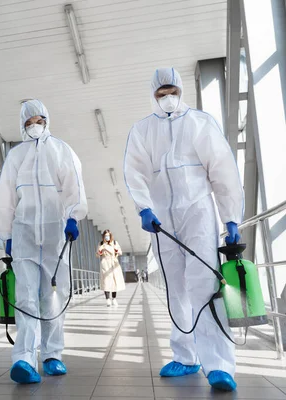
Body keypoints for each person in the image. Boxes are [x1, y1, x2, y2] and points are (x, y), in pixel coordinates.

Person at [123, 68, 244, 392]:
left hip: (198, 212)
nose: (167, 97)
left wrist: (230, 217)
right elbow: (134, 173)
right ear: (153, 94)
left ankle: (218, 365)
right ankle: (186, 356)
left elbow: (223, 171)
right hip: (162, 220)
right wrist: (143, 207)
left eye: (172, 90)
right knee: (175, 288)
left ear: (181, 89)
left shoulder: (200, 123)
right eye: (161, 93)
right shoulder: (143, 130)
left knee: (204, 285)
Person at [0, 99, 88, 384]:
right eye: (28, 123)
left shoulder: (61, 150)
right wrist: (6, 234)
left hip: (54, 233)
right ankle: (24, 357)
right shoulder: (16, 155)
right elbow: (6, 197)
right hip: (23, 233)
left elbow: (74, 186)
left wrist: (73, 216)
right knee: (25, 296)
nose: (34, 126)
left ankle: (52, 355)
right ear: (22, 126)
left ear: (46, 120)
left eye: (38, 121)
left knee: (52, 296)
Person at [96, 230, 125, 306]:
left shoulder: (115, 243)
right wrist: (101, 250)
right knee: (106, 281)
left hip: (114, 263)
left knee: (114, 282)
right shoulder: (101, 243)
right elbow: (97, 254)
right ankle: (107, 299)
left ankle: (114, 299)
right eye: (105, 235)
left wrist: (116, 250)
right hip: (105, 263)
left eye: (108, 235)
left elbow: (120, 252)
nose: (107, 237)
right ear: (103, 236)